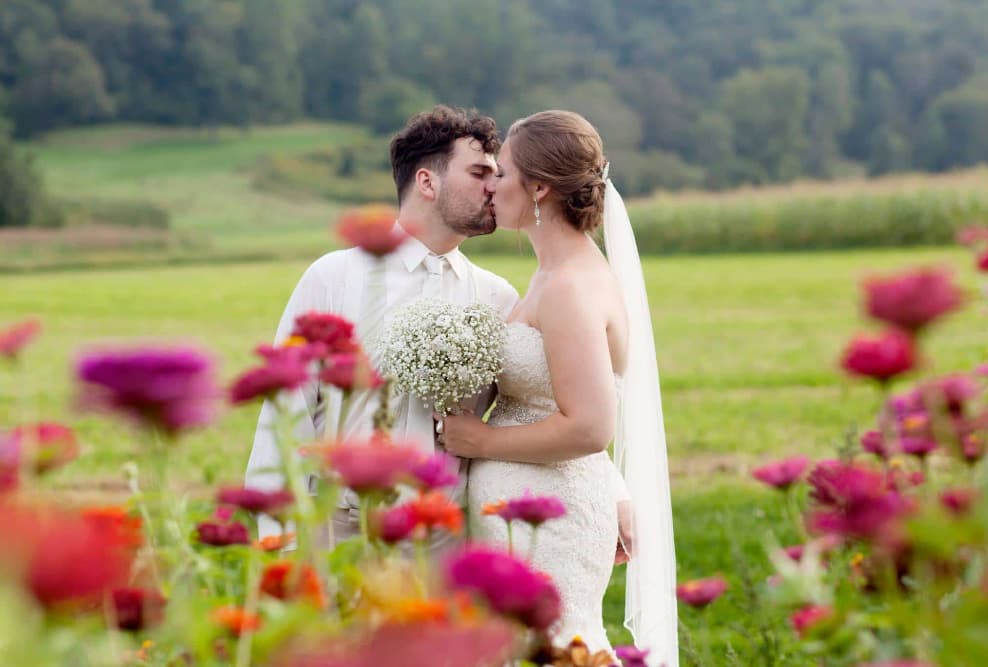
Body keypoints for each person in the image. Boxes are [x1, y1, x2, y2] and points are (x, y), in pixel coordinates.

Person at [438, 110, 678, 666]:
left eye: (501, 173)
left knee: (557, 648)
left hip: (553, 520)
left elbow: (592, 425)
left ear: (539, 187)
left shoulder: (569, 286)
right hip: (526, 510)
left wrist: (479, 442)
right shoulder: (553, 274)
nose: (491, 186)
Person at [244, 105, 518, 548]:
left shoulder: (498, 297)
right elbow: (286, 404)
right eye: (480, 172)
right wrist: (280, 538)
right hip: (336, 529)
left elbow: (538, 403)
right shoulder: (334, 277)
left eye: (497, 173)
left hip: (442, 538)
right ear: (428, 181)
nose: (496, 187)